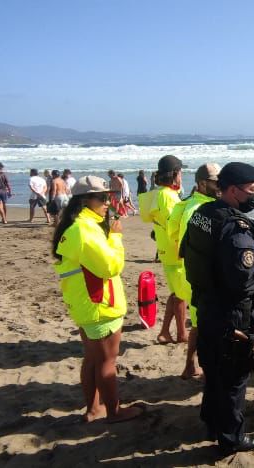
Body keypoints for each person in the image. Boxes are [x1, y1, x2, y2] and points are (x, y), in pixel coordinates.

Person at [181, 162, 254, 454]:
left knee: (212, 366)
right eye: (253, 189)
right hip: (230, 312)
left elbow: (189, 253)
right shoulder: (234, 227)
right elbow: (243, 280)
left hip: (205, 305)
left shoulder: (201, 214)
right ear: (233, 191)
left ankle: (211, 420)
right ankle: (231, 437)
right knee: (233, 374)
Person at [51, 175, 144, 424]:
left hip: (85, 302)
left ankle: (93, 409)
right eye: (103, 198)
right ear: (84, 201)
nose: (108, 203)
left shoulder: (76, 225)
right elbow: (110, 267)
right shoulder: (84, 229)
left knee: (92, 358)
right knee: (106, 361)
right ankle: (113, 412)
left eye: (109, 197)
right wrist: (116, 237)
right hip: (99, 304)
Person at [168, 163, 222, 380]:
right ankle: (201, 369)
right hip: (198, 278)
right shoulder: (197, 209)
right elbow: (186, 248)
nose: (221, 185)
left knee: (200, 324)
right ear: (202, 183)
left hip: (189, 275)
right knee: (205, 326)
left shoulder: (189, 203)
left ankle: (190, 365)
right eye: (216, 182)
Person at [151, 155, 189, 345]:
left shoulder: (161, 193)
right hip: (174, 252)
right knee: (181, 295)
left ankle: (165, 331)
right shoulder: (167, 195)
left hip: (168, 251)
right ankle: (182, 334)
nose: (182, 176)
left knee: (176, 293)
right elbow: (174, 226)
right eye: (181, 172)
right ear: (175, 174)